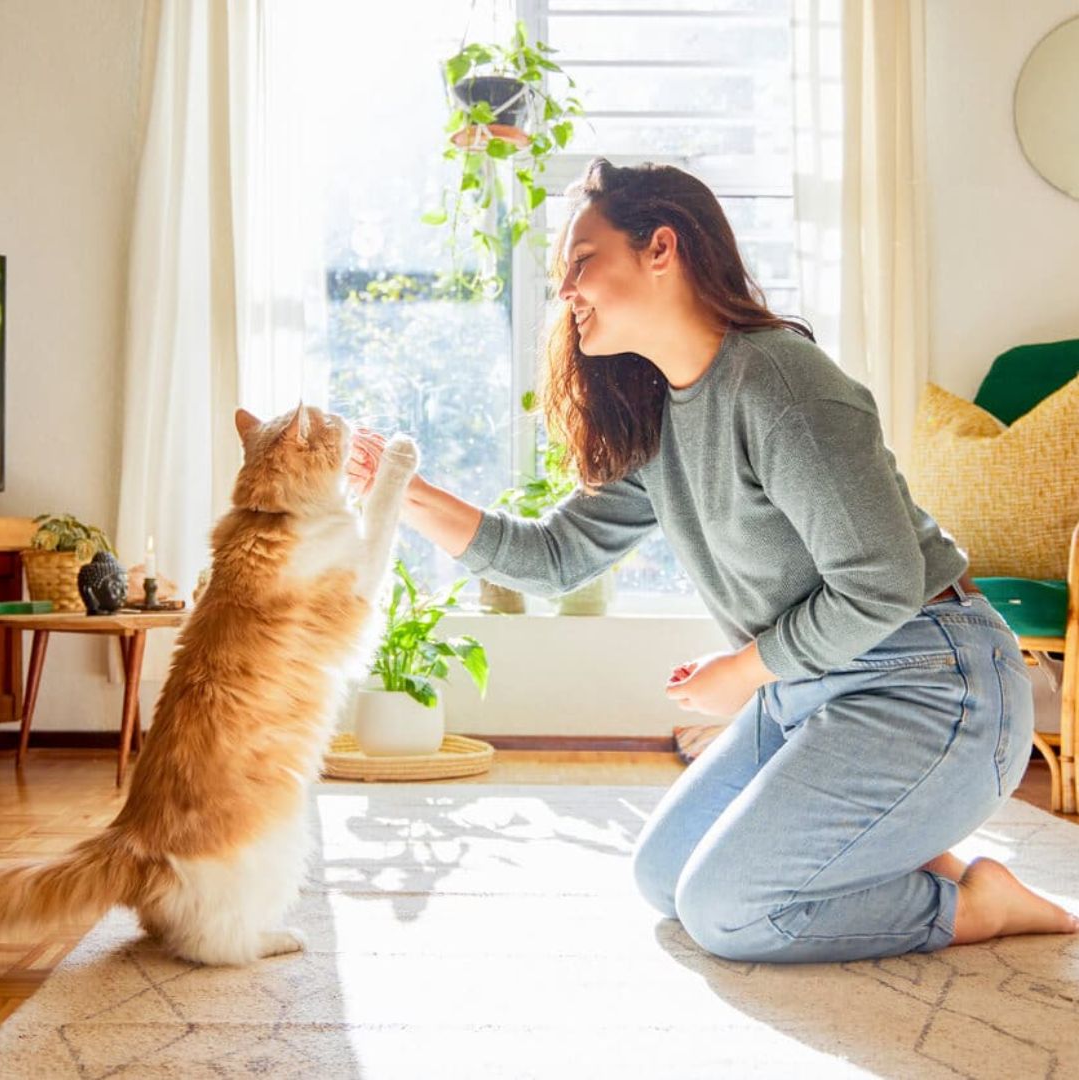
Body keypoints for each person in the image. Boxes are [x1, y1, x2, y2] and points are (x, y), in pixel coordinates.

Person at [348, 158, 1078, 963]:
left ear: (661, 249)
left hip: (936, 686)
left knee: (729, 911)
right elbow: (552, 559)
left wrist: (744, 669)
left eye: (582, 263)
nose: (565, 291)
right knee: (664, 880)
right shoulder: (657, 417)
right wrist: (401, 491)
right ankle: (898, 843)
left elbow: (883, 585)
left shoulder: (781, 383)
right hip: (812, 694)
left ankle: (979, 902)